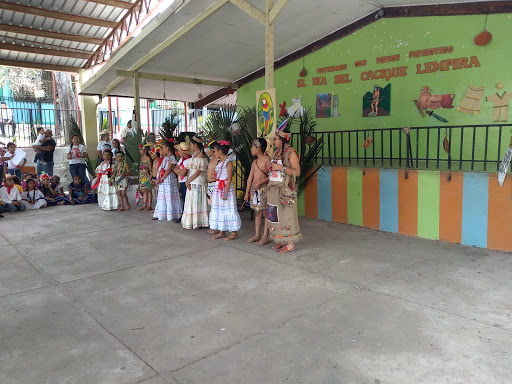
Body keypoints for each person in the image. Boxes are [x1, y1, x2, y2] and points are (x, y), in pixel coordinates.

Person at [267, 125, 302, 253]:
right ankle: (281, 240)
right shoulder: (276, 152)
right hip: (275, 189)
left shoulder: (291, 153)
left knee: (287, 215)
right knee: (276, 215)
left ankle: (290, 243)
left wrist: (280, 168)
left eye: (276, 139)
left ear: (283, 140)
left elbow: (297, 172)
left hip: (286, 189)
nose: (274, 141)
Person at [209, 140, 241, 240]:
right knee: (220, 209)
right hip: (219, 187)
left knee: (229, 209)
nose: (214, 153)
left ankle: (234, 232)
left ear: (220, 151)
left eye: (214, 151)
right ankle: (222, 231)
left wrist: (226, 192)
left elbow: (230, 178)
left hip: (225, 187)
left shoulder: (228, 161)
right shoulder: (220, 161)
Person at [245, 138, 271, 246]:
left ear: (258, 148)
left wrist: (261, 182)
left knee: (265, 213)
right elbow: (250, 178)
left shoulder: (267, 160)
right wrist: (247, 193)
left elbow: (272, 175)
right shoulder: (254, 162)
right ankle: (257, 234)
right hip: (255, 190)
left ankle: (265, 236)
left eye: (252, 147)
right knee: (257, 212)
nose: (251, 149)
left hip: (264, 189)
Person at [182, 135, 209, 230]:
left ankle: (199, 221)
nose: (190, 146)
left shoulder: (201, 155)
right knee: (192, 201)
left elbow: (198, 171)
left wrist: (189, 180)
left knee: (197, 201)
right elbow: (190, 169)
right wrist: (187, 180)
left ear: (195, 145)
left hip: (197, 182)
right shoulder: (194, 156)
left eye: (191, 144)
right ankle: (193, 221)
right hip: (192, 182)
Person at [152, 140, 182, 221]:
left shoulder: (171, 158)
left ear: (167, 148)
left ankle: (171, 214)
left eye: (163, 148)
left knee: (169, 196)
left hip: (168, 179)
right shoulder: (165, 158)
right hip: (163, 179)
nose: (162, 150)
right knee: (162, 197)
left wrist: (161, 179)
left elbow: (168, 170)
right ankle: (160, 213)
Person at [173, 141, 193, 223]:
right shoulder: (182, 159)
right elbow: (175, 169)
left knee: (186, 199)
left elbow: (183, 173)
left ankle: (185, 216)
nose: (178, 152)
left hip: (185, 181)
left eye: (179, 151)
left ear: (183, 152)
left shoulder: (189, 160)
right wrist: (179, 171)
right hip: (181, 181)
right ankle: (183, 215)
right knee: (183, 199)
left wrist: (179, 171)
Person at [138, 143, 153, 211]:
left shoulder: (148, 158)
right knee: (144, 191)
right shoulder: (142, 158)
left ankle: (149, 205)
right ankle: (144, 204)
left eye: (141, 150)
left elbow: (150, 169)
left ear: (144, 150)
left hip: (146, 176)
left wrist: (150, 177)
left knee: (148, 190)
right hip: (142, 176)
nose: (140, 151)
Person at [206, 141, 218, 206]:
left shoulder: (218, 161)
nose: (207, 152)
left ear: (213, 151)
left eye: (209, 150)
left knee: (216, 204)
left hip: (215, 184)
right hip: (209, 185)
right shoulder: (210, 160)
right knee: (211, 204)